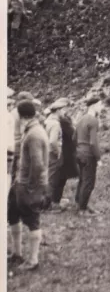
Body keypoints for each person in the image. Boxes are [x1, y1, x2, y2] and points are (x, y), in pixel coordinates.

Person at [7, 100, 49, 272]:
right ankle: (17, 253)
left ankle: (33, 260)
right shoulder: (31, 130)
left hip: (28, 186)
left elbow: (38, 165)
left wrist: (31, 187)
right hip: (20, 183)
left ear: (22, 116)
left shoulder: (34, 135)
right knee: (13, 215)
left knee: (32, 220)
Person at [75, 97, 101, 216]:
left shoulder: (81, 119)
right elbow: (93, 142)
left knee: (82, 180)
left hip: (79, 153)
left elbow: (74, 138)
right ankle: (82, 209)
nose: (101, 107)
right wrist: (98, 157)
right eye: (100, 105)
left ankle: (79, 203)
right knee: (89, 181)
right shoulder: (93, 121)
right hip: (89, 154)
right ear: (93, 106)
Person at [44, 101, 64, 211]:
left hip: (45, 152)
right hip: (52, 153)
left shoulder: (47, 121)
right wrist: (57, 152)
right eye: (62, 110)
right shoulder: (56, 124)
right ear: (58, 111)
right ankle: (47, 205)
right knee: (52, 179)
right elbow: (53, 141)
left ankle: (45, 203)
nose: (64, 112)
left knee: (47, 177)